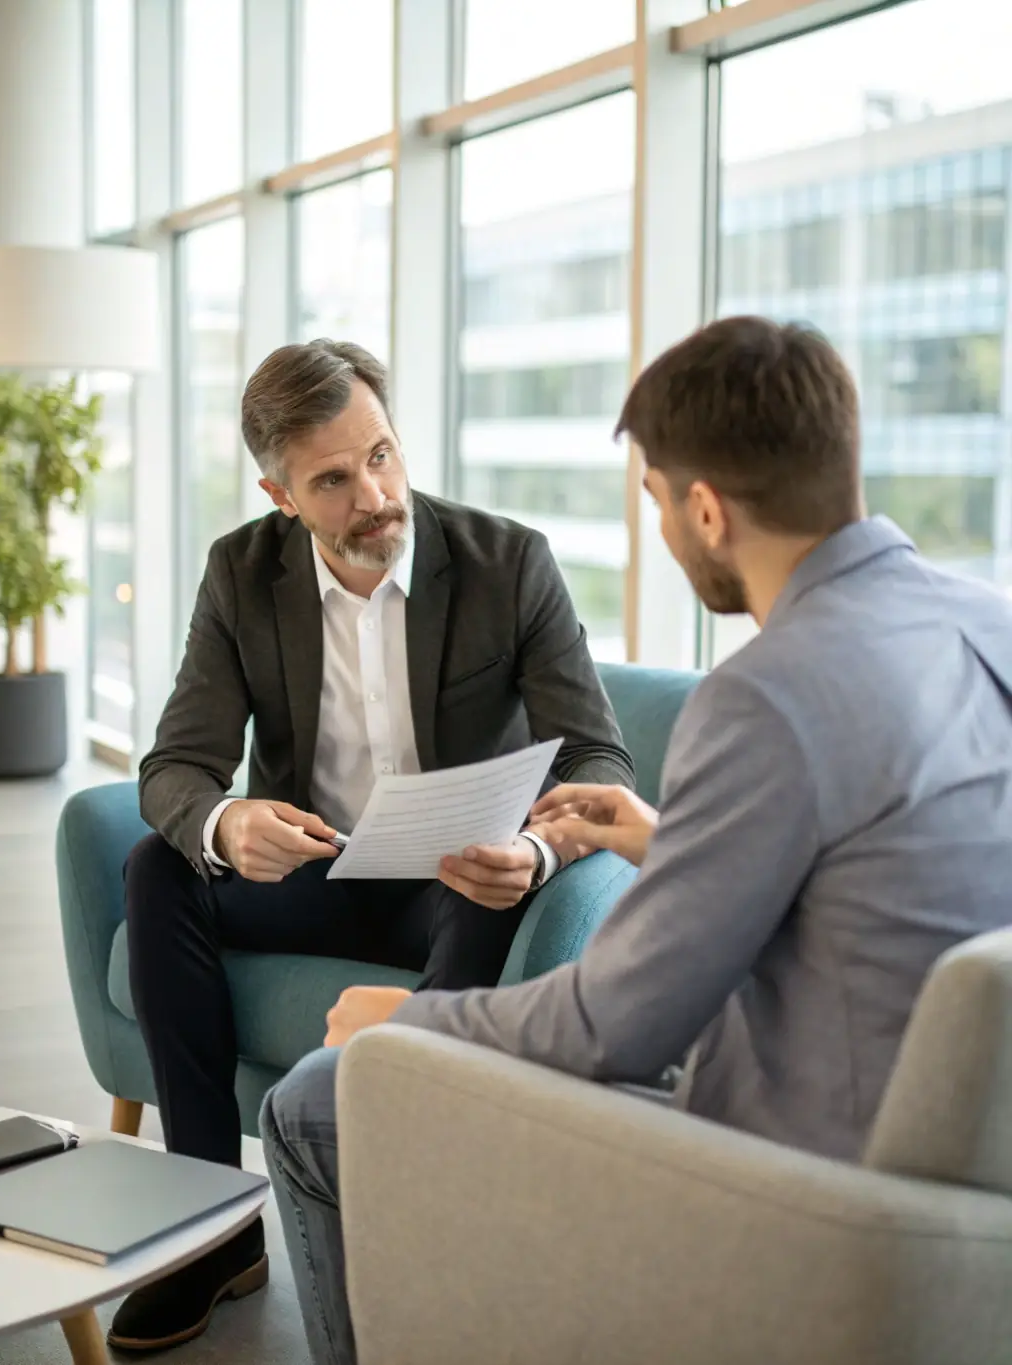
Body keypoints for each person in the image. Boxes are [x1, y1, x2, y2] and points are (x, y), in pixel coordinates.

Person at [260, 315, 1012, 1365]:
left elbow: (613, 1027)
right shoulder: (985, 625)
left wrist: (411, 1021)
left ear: (705, 511)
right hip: (960, 1172)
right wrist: (670, 841)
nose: (659, 527)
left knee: (313, 1099)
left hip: (798, 1189)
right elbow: (890, 879)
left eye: (655, 500)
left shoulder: (763, 695)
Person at [107, 339, 633, 1354]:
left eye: (382, 455)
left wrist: (535, 851)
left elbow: (598, 755)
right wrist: (228, 823)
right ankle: (211, 1236)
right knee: (157, 867)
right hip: (320, 869)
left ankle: (420, 1231)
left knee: (483, 891)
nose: (377, 496)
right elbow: (175, 765)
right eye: (334, 481)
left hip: (460, 877)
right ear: (280, 494)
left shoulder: (507, 561)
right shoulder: (240, 573)